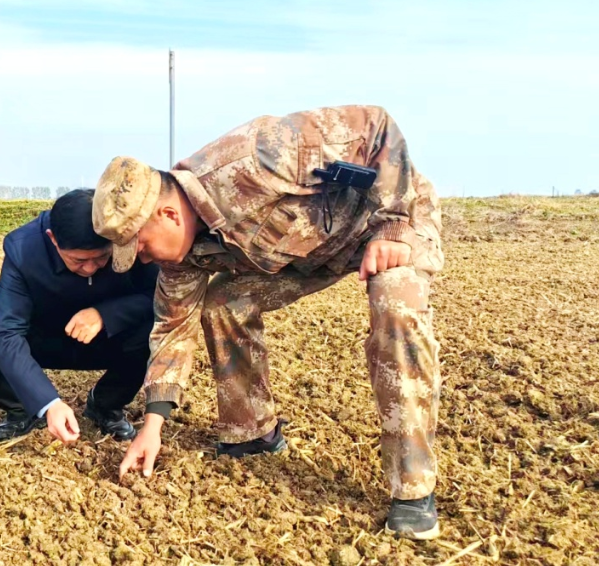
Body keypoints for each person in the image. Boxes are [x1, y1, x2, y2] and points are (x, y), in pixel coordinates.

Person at [95, 105, 445, 540]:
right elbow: (172, 329)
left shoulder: (257, 156)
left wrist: (393, 223)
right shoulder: (180, 259)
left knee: (394, 303)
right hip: (306, 255)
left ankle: (413, 490)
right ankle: (253, 432)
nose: (144, 259)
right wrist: (153, 426)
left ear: (167, 215)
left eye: (142, 247)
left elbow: (376, 126)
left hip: (383, 227)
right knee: (223, 302)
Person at [0, 189, 159, 442]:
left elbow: (157, 296)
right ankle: (23, 408)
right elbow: (7, 330)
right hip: (44, 339)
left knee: (155, 330)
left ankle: (106, 404)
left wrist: (106, 315)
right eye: (78, 260)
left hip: (109, 339)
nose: (90, 268)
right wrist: (48, 402)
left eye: (101, 258)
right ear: (52, 239)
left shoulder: (126, 239)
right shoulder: (23, 249)